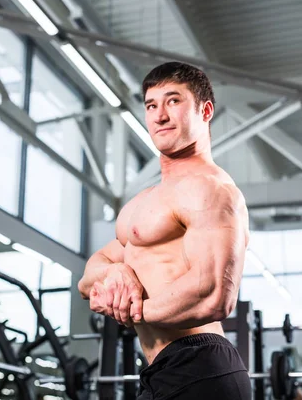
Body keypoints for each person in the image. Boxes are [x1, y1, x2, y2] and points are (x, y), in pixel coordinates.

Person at [78, 61, 251, 399]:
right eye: (151, 105)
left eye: (174, 101)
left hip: (200, 363)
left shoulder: (210, 189)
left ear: (205, 111)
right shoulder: (144, 202)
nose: (159, 116)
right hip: (165, 366)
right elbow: (89, 274)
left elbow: (214, 294)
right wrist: (115, 272)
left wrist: (132, 310)